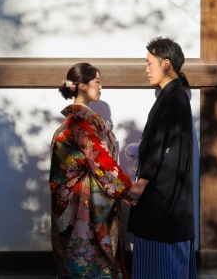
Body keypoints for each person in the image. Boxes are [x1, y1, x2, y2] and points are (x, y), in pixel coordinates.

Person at [49, 62, 141, 279]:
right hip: (82, 202)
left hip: (72, 198)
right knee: (91, 258)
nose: (101, 87)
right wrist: (126, 190)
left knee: (77, 256)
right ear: (81, 86)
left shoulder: (78, 122)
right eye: (97, 81)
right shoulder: (81, 123)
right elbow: (101, 161)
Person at [127, 37, 196, 279]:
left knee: (163, 264)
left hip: (163, 198)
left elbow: (162, 146)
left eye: (149, 63)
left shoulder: (175, 97)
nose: (146, 69)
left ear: (166, 63)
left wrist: (142, 182)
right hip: (163, 196)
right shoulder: (171, 96)